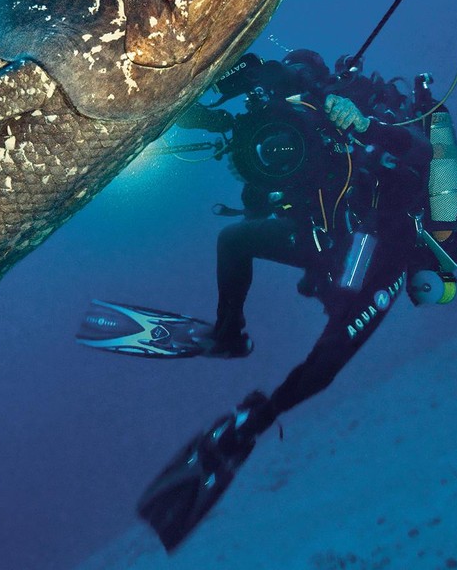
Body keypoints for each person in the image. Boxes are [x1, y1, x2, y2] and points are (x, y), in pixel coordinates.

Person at [131, 50, 434, 550]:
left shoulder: (354, 108)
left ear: (317, 80)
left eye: (298, 85)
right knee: (235, 240)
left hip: (385, 256)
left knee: (325, 362)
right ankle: (228, 336)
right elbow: (261, 194)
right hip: (324, 248)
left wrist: (365, 125)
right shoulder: (279, 124)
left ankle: (255, 421)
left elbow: (420, 155)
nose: (288, 98)